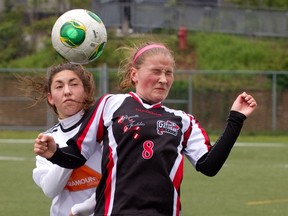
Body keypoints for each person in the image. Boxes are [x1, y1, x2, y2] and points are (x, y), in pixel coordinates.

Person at [34, 42, 257, 216]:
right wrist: (54, 153)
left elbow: (209, 166)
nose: (163, 79)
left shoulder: (183, 120)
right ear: (134, 74)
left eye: (168, 73)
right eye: (156, 71)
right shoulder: (111, 104)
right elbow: (76, 156)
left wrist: (235, 120)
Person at [21, 62, 101, 216]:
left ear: (86, 92)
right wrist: (60, 154)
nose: (67, 91)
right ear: (50, 98)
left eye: (74, 84)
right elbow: (51, 190)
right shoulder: (47, 140)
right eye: (59, 86)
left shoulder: (104, 128)